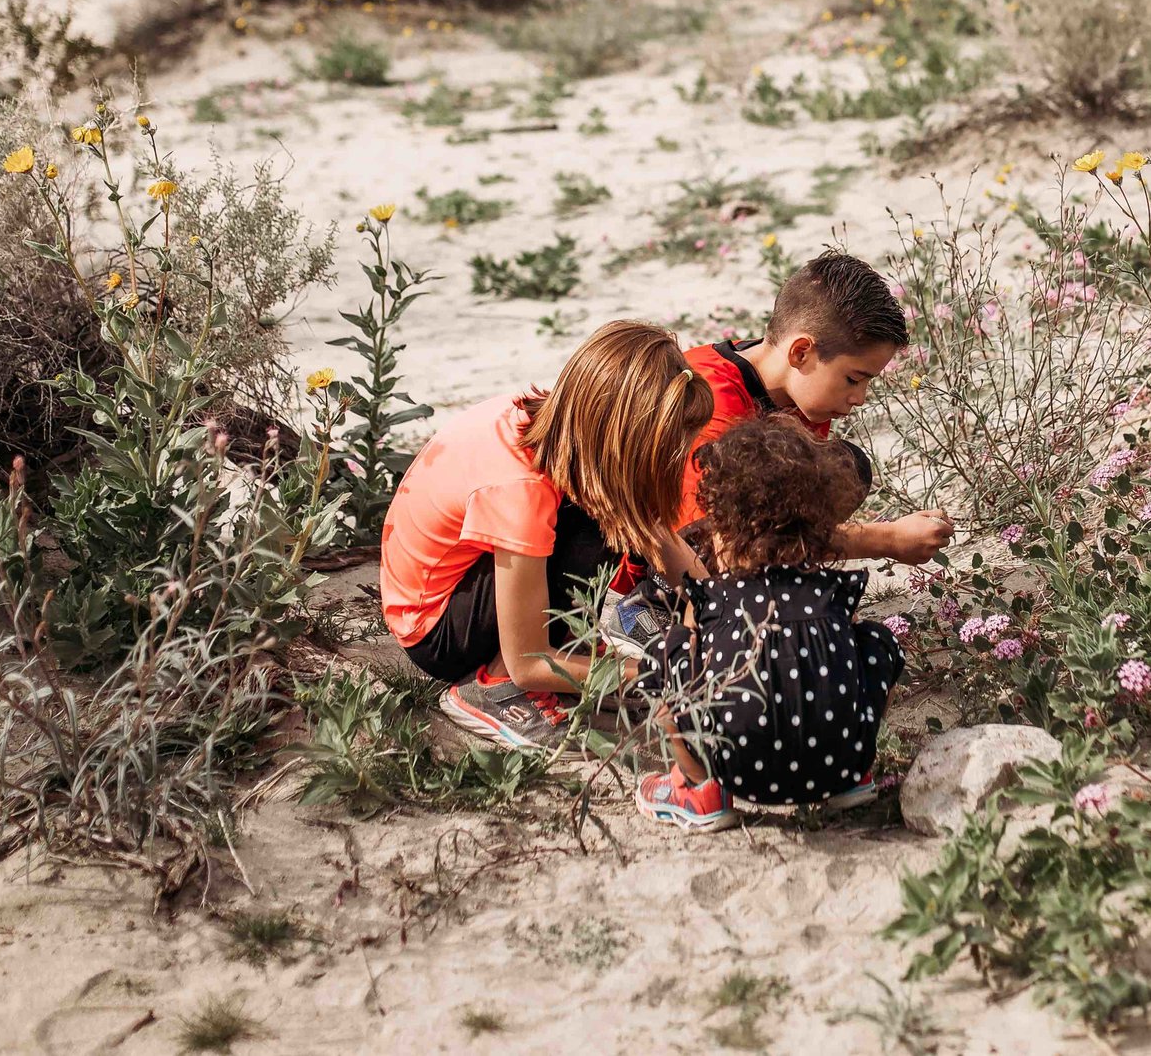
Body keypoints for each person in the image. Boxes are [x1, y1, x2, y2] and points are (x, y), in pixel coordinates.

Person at [380, 320, 713, 749]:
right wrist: (661, 674)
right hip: (435, 629)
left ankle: (567, 656)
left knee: (613, 506)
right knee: (598, 532)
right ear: (619, 436)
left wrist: (716, 602)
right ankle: (491, 689)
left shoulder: (560, 421)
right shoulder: (520, 492)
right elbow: (529, 662)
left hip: (445, 583)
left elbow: (654, 531)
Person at [606, 249, 952, 652]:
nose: (860, 397)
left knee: (844, 468)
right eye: (854, 378)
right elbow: (726, 541)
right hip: (652, 552)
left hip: (725, 541)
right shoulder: (708, 402)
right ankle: (653, 609)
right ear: (801, 352)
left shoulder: (799, 392)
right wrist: (886, 541)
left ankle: (766, 600)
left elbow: (785, 515)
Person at [634, 414, 906, 832]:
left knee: (664, 655)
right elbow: (840, 654)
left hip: (738, 770)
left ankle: (697, 787)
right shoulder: (830, 589)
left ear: (723, 527)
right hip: (840, 764)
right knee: (875, 639)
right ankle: (857, 780)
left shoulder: (715, 598)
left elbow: (690, 652)